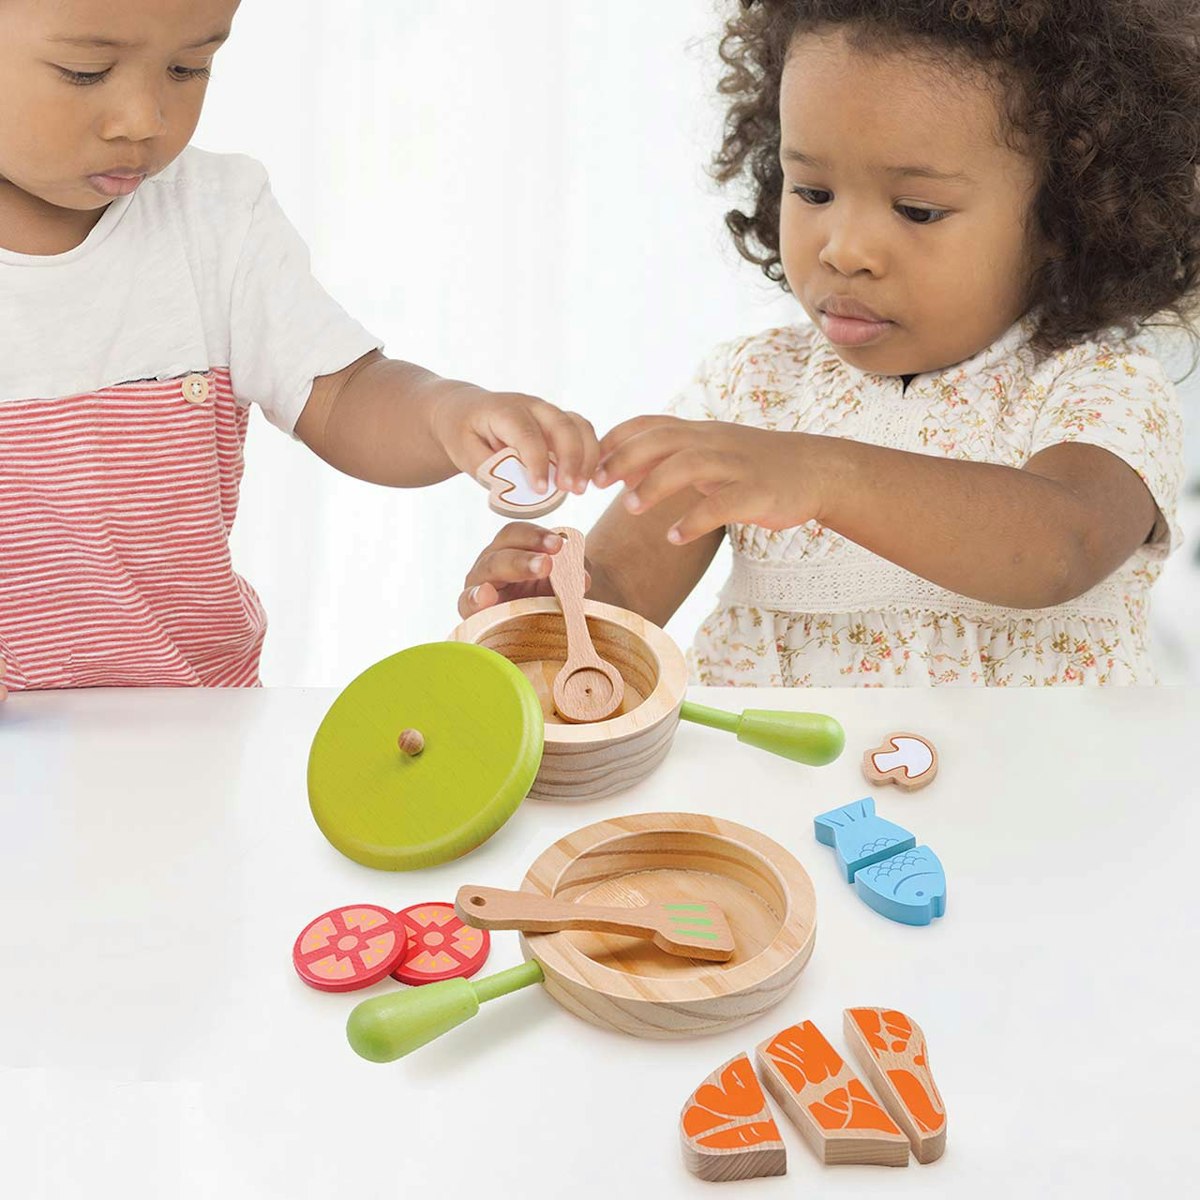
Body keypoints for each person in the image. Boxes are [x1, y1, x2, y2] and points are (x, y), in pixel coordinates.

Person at [461, 0, 1197, 686]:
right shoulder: (750, 386)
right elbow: (623, 596)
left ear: (1064, 216)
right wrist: (554, 610)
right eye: (812, 192)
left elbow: (1061, 548)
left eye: (917, 209)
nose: (843, 250)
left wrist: (824, 475)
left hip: (1030, 785)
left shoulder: (1100, 385)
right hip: (773, 784)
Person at [0, 0, 599, 696]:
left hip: (195, 717)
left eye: (188, 67)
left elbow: (341, 393)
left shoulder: (215, 217)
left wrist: (446, 413)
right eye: (85, 71)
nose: (145, 119)